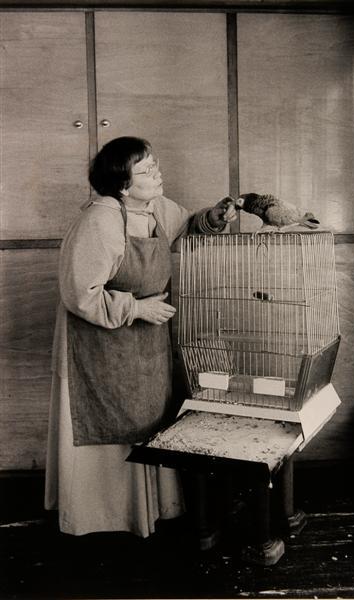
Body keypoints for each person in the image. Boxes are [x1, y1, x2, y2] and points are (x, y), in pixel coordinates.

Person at [44, 136, 237, 537]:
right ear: (122, 184)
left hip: (141, 345)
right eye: (147, 170)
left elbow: (188, 225)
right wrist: (137, 309)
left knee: (145, 419)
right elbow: (80, 295)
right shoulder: (99, 221)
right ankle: (101, 518)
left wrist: (213, 218)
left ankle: (147, 511)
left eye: (155, 164)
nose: (158, 173)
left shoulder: (156, 207)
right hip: (95, 349)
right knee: (103, 427)